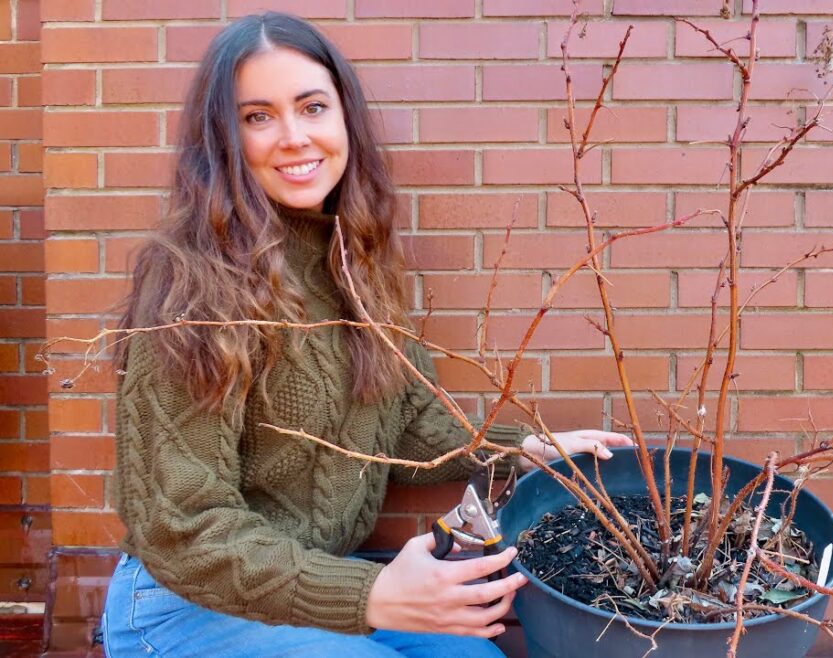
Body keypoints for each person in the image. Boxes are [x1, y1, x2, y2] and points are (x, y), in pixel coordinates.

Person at [100, 12, 632, 658]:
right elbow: (184, 527)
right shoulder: (188, 283)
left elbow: (407, 419)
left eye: (312, 107)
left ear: (343, 117)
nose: (294, 137)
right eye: (257, 117)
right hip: (180, 609)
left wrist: (524, 449)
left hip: (320, 590)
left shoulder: (358, 260)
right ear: (223, 141)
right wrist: (373, 595)